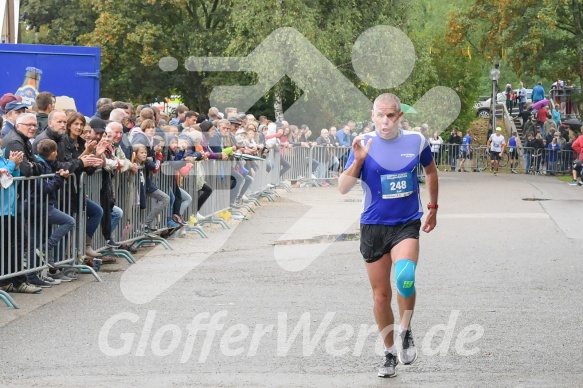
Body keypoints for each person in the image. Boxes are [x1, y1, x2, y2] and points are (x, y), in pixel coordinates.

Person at [338, 93, 438, 378]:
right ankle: (389, 352)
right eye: (380, 115)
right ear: (372, 116)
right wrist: (357, 161)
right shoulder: (363, 143)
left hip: (406, 223)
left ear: (400, 116)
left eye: (391, 115)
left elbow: (431, 171)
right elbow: (343, 188)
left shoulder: (416, 141)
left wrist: (432, 207)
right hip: (373, 226)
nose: (385, 121)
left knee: (405, 277)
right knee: (381, 296)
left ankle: (406, 329)